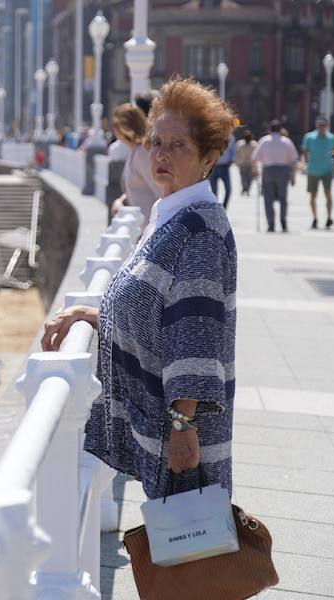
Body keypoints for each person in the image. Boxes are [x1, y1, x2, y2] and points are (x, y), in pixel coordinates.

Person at [42, 77, 237, 501]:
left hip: (183, 434)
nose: (161, 154)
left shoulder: (198, 228)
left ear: (209, 157)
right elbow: (156, 305)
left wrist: (183, 427)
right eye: (156, 142)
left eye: (178, 145)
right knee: (176, 552)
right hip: (169, 424)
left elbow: (197, 335)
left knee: (190, 552)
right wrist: (97, 315)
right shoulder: (170, 214)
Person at [109, 103, 162, 228]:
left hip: (151, 227)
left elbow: (160, 191)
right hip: (143, 226)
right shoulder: (135, 152)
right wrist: (122, 200)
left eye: (115, 126)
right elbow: (138, 187)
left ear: (122, 129)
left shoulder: (142, 154)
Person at [253, 119, 299, 232]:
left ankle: (271, 223)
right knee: (283, 198)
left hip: (268, 170)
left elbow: (255, 158)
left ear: (270, 129)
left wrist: (256, 171)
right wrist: (293, 175)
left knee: (268, 198)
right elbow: (294, 160)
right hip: (283, 170)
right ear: (281, 130)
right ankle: (283, 221)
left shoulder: (264, 141)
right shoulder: (287, 141)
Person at [301, 115, 334, 229]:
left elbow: (331, 151)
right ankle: (315, 218)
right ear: (316, 125)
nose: (321, 127)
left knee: (328, 194)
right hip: (313, 170)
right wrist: (303, 164)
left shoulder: (331, 137)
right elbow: (304, 152)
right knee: (313, 195)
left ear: (327, 126)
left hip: (327, 169)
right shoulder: (309, 137)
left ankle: (329, 217)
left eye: (323, 125)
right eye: (319, 125)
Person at [208, 133, 236, 208]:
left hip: (225, 167)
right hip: (213, 167)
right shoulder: (212, 135)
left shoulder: (230, 137)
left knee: (228, 190)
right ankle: (215, 210)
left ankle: (223, 208)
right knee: (214, 192)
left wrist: (232, 160)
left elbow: (233, 150)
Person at [234, 130, 258, 196]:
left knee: (250, 178)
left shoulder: (254, 144)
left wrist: (255, 167)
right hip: (243, 163)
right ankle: (244, 187)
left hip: (251, 164)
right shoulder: (240, 144)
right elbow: (237, 154)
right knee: (243, 177)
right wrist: (237, 162)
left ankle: (247, 189)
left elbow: (256, 156)